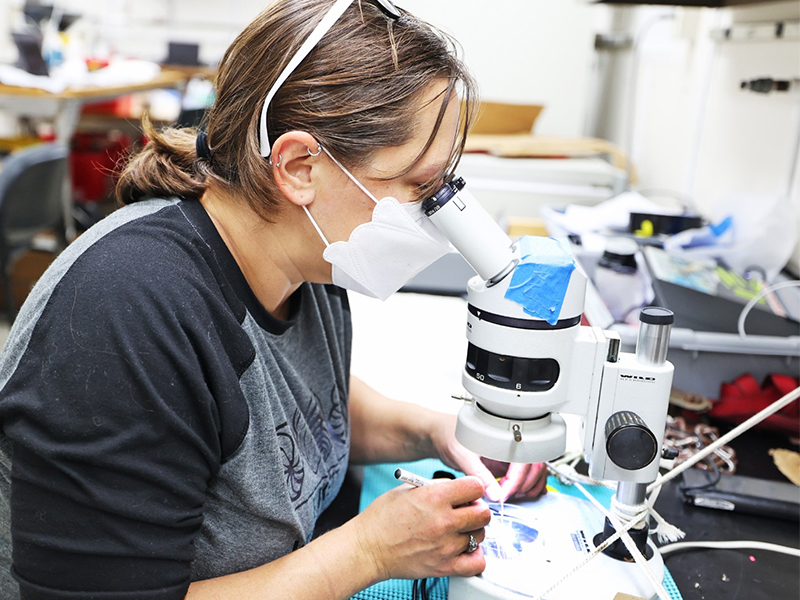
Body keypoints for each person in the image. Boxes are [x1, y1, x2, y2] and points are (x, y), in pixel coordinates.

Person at [0, 1, 547, 598]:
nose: (437, 219)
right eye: (420, 187)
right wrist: (367, 551)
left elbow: (302, 408)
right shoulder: (126, 314)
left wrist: (439, 431)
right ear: (299, 166)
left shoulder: (311, 258)